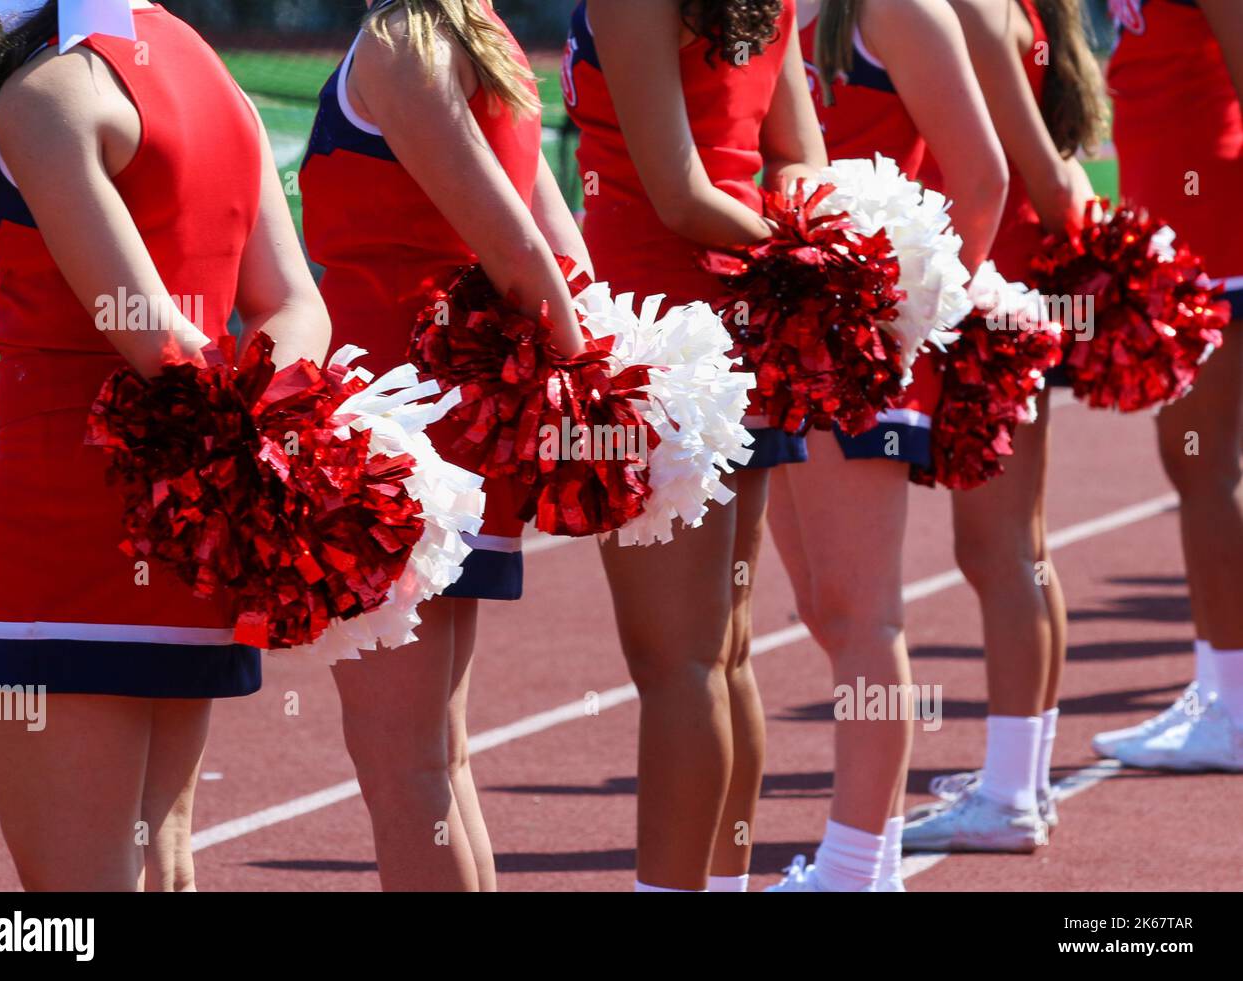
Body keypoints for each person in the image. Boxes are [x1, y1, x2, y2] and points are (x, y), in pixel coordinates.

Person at [0, 0, 330, 890]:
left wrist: (239, 435)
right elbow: (294, 305)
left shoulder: (51, 91)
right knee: (163, 867)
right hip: (192, 540)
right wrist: (259, 439)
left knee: (69, 903)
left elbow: (151, 337)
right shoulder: (212, 75)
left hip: (67, 541)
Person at [300, 0, 590, 891]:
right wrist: (594, 371)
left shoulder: (404, 43)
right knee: (437, 756)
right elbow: (557, 245)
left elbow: (520, 251)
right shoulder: (483, 36)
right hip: (452, 430)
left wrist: (589, 377)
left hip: (393, 440)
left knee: (406, 768)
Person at [564, 0, 827, 893]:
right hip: (744, 339)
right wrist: (794, 254)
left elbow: (678, 198)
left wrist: (792, 257)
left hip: (659, 348)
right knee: (722, 653)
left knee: (677, 664)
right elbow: (801, 158)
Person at [764, 0, 1010, 890]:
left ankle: (861, 865)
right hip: (780, 347)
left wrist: (911, 327)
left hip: (861, 349)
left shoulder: (899, 10)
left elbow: (982, 178)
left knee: (861, 612)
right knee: (825, 610)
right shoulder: (769, 13)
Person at [904, 0, 1104, 849]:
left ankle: (1013, 795)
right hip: (1004, 293)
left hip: (994, 300)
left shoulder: (979, 12)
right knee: (1016, 547)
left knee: (999, 551)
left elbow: (1044, 180)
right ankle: (1021, 780)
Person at [1092, 0, 1243, 772]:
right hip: (1173, 229)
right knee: (1196, 464)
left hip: (1215, 222)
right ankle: (1218, 688)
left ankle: (1235, 705)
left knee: (1205, 465)